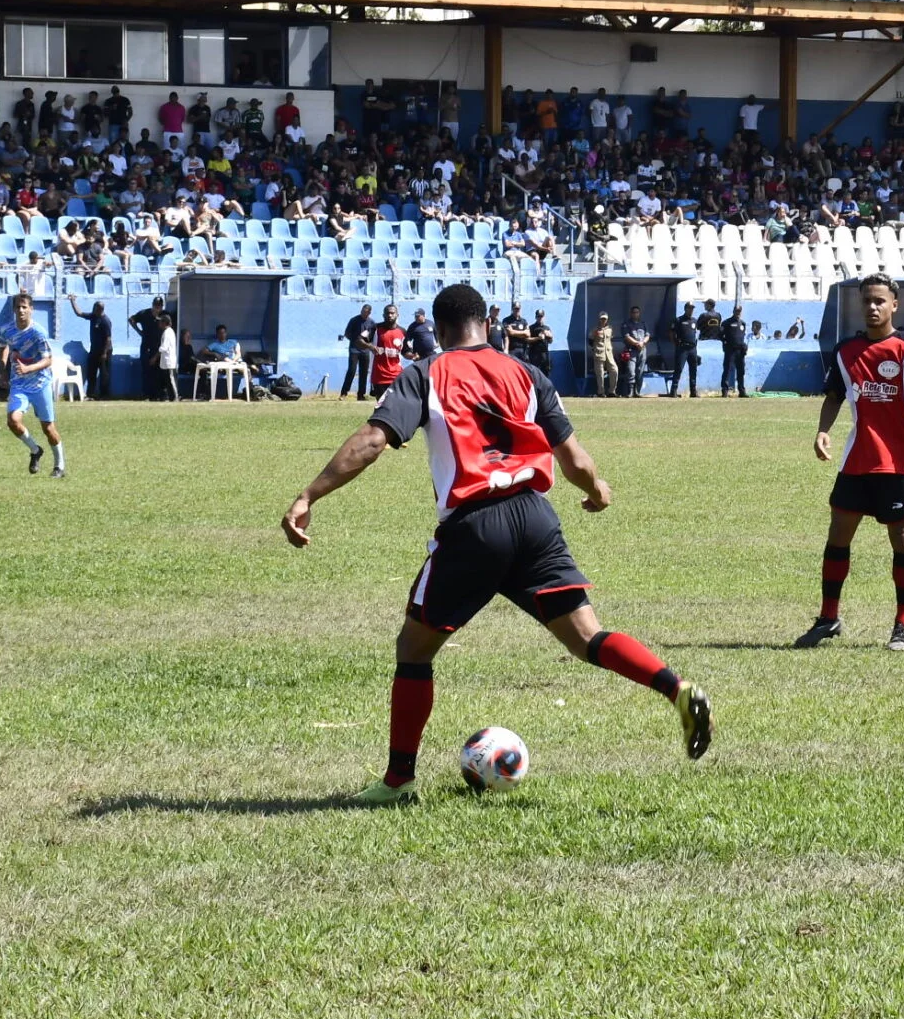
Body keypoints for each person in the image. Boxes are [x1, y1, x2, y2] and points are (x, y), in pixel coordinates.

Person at [279, 283, 711, 806]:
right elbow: (571, 454)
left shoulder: (425, 373)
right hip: (536, 518)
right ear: (487, 324)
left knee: (414, 649)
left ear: (438, 331)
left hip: (474, 525)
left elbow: (374, 440)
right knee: (586, 637)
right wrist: (595, 487)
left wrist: (310, 494)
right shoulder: (527, 373)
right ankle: (676, 688)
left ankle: (398, 781)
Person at [796, 274, 904, 653]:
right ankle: (829, 617)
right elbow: (834, 395)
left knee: (903, 538)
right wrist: (822, 430)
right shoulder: (846, 351)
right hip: (856, 461)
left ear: (895, 305)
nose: (873, 307)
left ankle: (902, 625)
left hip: (899, 463)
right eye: (867, 301)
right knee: (837, 537)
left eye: (880, 300)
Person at [2, 292, 66, 476]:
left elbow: (48, 360)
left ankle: (59, 466)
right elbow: (4, 346)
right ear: (14, 309)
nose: (21, 310)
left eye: (24, 307)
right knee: (13, 421)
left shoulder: (38, 332)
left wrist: (28, 369)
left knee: (48, 428)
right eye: (18, 307)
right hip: (19, 384)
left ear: (31, 309)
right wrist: (3, 370)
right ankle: (35, 450)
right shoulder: (7, 330)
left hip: (40, 384)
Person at [129, 297, 175, 401]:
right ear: (153, 305)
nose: (157, 309)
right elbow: (131, 319)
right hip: (147, 346)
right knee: (146, 370)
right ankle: (146, 394)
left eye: (159, 306)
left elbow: (171, 324)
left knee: (160, 372)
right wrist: (139, 331)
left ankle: (160, 394)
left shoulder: (164, 315)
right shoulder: (144, 313)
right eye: (156, 306)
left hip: (159, 348)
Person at [68, 297, 113, 399]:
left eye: (95, 309)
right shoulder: (93, 316)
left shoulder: (105, 321)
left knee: (104, 374)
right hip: (94, 350)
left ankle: (104, 395)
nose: (93, 311)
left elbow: (108, 339)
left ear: (100, 309)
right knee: (91, 372)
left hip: (104, 351)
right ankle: (90, 394)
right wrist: (73, 301)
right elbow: (79, 313)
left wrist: (104, 353)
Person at [370, 304, 408, 396]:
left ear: (397, 315)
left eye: (392, 313)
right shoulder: (375, 328)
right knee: (382, 405)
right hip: (379, 375)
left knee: (396, 404)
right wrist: (371, 347)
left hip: (396, 374)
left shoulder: (403, 331)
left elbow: (405, 352)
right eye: (387, 313)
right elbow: (359, 340)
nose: (390, 315)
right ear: (383, 315)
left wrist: (412, 355)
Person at [342, 304, 376, 400]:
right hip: (354, 350)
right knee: (351, 371)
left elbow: (372, 337)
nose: (363, 313)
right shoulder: (354, 320)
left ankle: (361, 395)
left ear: (369, 312)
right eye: (362, 311)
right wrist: (355, 341)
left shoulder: (372, 323)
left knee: (364, 373)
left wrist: (367, 344)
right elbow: (347, 333)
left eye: (366, 312)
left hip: (365, 350)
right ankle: (344, 393)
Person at [719, 303, 749, 398]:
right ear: (733, 311)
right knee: (727, 370)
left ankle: (742, 391)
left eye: (739, 311)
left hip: (740, 351)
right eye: (736, 311)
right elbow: (720, 335)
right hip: (730, 350)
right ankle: (725, 391)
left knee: (741, 371)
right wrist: (726, 344)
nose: (738, 313)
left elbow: (742, 336)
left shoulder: (743, 323)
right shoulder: (726, 323)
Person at [588, 311, 618, 398]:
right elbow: (590, 340)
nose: (603, 320)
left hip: (609, 353)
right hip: (599, 353)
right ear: (599, 319)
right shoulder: (595, 330)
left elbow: (611, 339)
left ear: (607, 319)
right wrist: (595, 347)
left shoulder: (610, 329)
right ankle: (601, 392)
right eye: (602, 319)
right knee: (600, 373)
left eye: (605, 319)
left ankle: (612, 391)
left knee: (614, 370)